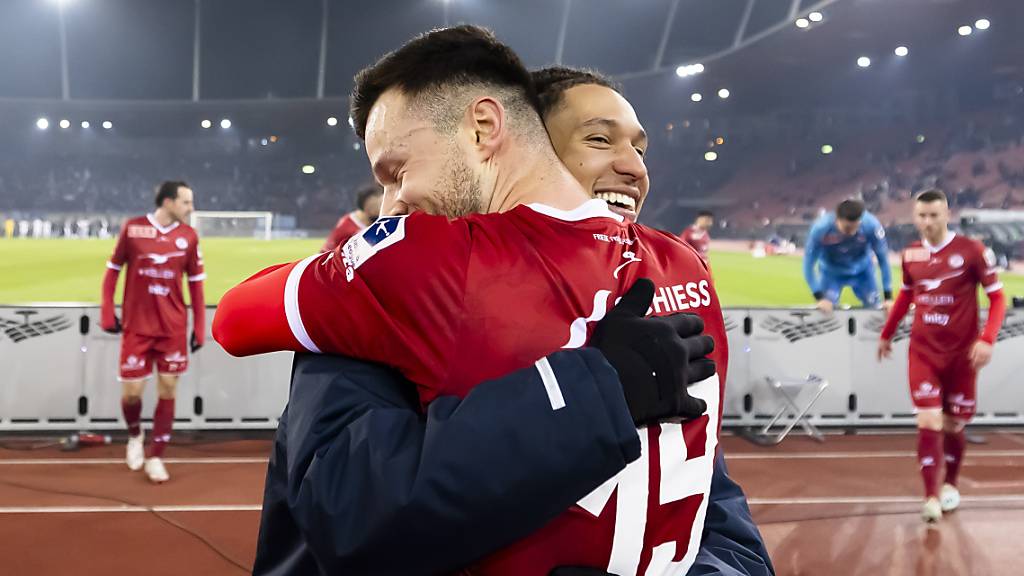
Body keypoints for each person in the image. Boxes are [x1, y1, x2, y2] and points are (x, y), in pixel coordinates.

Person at [215, 26, 727, 575]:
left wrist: (351, 260)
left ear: (483, 126)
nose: (393, 202)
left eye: (398, 169)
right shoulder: (683, 264)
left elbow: (232, 319)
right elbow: (715, 506)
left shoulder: (425, 260)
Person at [878, 189, 1006, 522]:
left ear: (947, 214)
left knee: (953, 424)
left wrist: (987, 339)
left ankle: (950, 484)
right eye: (922, 216)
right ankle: (931, 497)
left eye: (934, 215)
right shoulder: (911, 254)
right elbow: (906, 296)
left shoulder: (972, 251)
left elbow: (997, 299)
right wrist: (887, 334)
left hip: (962, 357)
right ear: (914, 217)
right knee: (928, 419)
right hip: (923, 352)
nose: (928, 222)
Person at [100, 181, 206, 483]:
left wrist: (199, 326)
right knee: (132, 394)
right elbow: (112, 272)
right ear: (169, 202)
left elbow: (196, 286)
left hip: (172, 328)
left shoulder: (189, 237)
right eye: (186, 202)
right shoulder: (133, 229)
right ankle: (135, 435)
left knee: (168, 390)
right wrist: (107, 311)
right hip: (137, 327)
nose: (191, 208)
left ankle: (157, 455)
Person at [803, 199, 892, 313]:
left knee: (875, 309)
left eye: (855, 228)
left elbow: (883, 259)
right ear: (837, 220)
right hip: (831, 274)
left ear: (860, 221)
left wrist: (888, 297)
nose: (851, 233)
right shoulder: (820, 229)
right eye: (847, 228)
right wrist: (819, 297)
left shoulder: (871, 225)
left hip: (863, 273)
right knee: (825, 311)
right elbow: (808, 264)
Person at [321, 183, 383, 251]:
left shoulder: (379, 222)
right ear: (365, 206)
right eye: (375, 205)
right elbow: (326, 251)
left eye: (381, 204)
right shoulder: (346, 225)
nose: (380, 208)